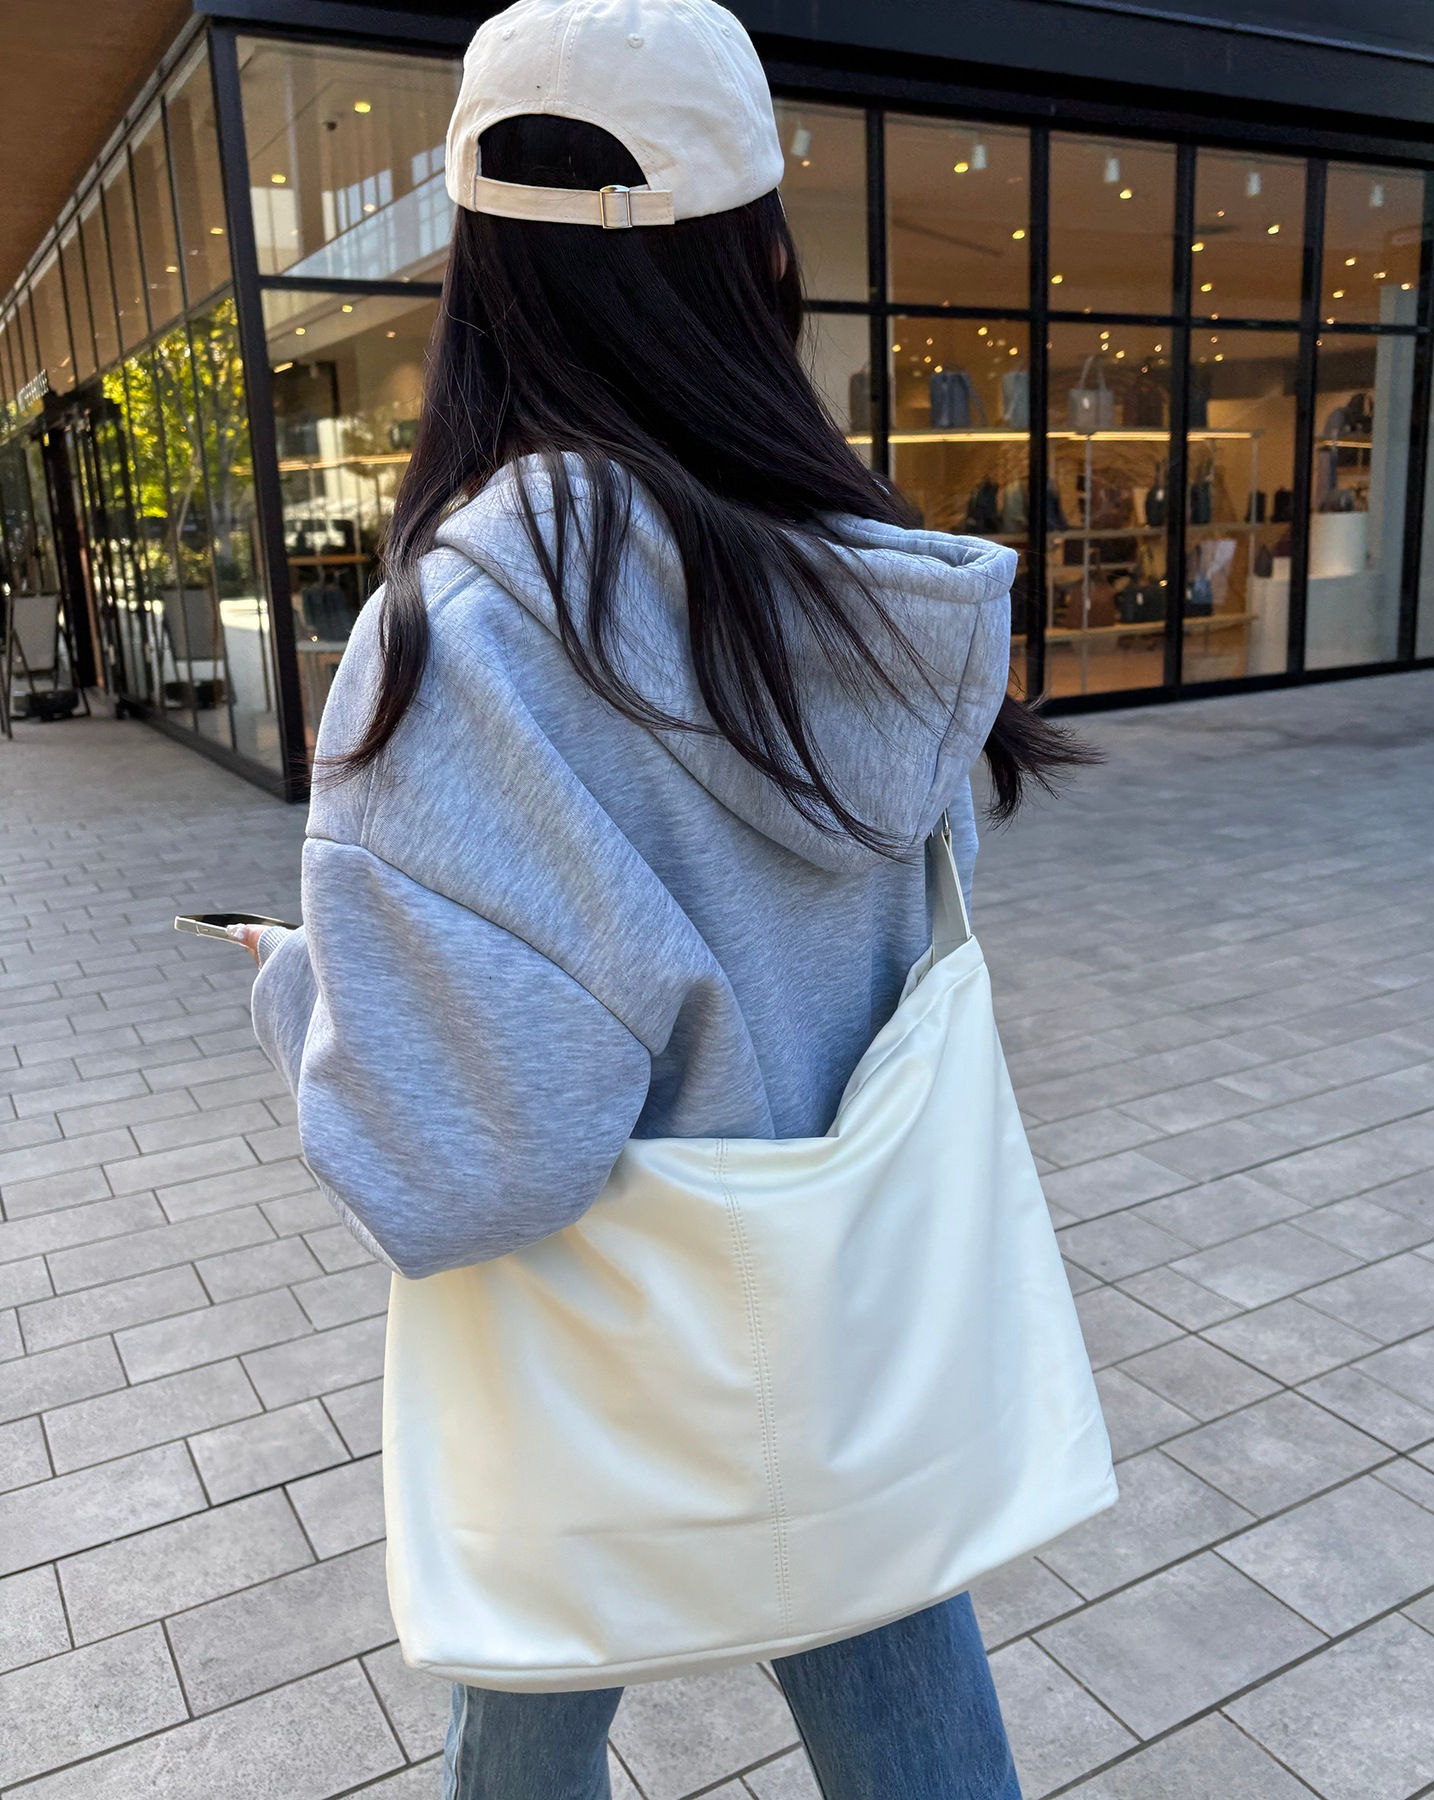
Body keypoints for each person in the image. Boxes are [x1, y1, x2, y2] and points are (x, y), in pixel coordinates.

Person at [231, 2, 1092, 1793]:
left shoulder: (463, 637)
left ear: (478, 276)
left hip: (596, 1379)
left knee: (528, 1667)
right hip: (846, 1337)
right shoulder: (871, 591)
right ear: (760, 255)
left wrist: (303, 985)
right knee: (879, 1615)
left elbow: (460, 1163)